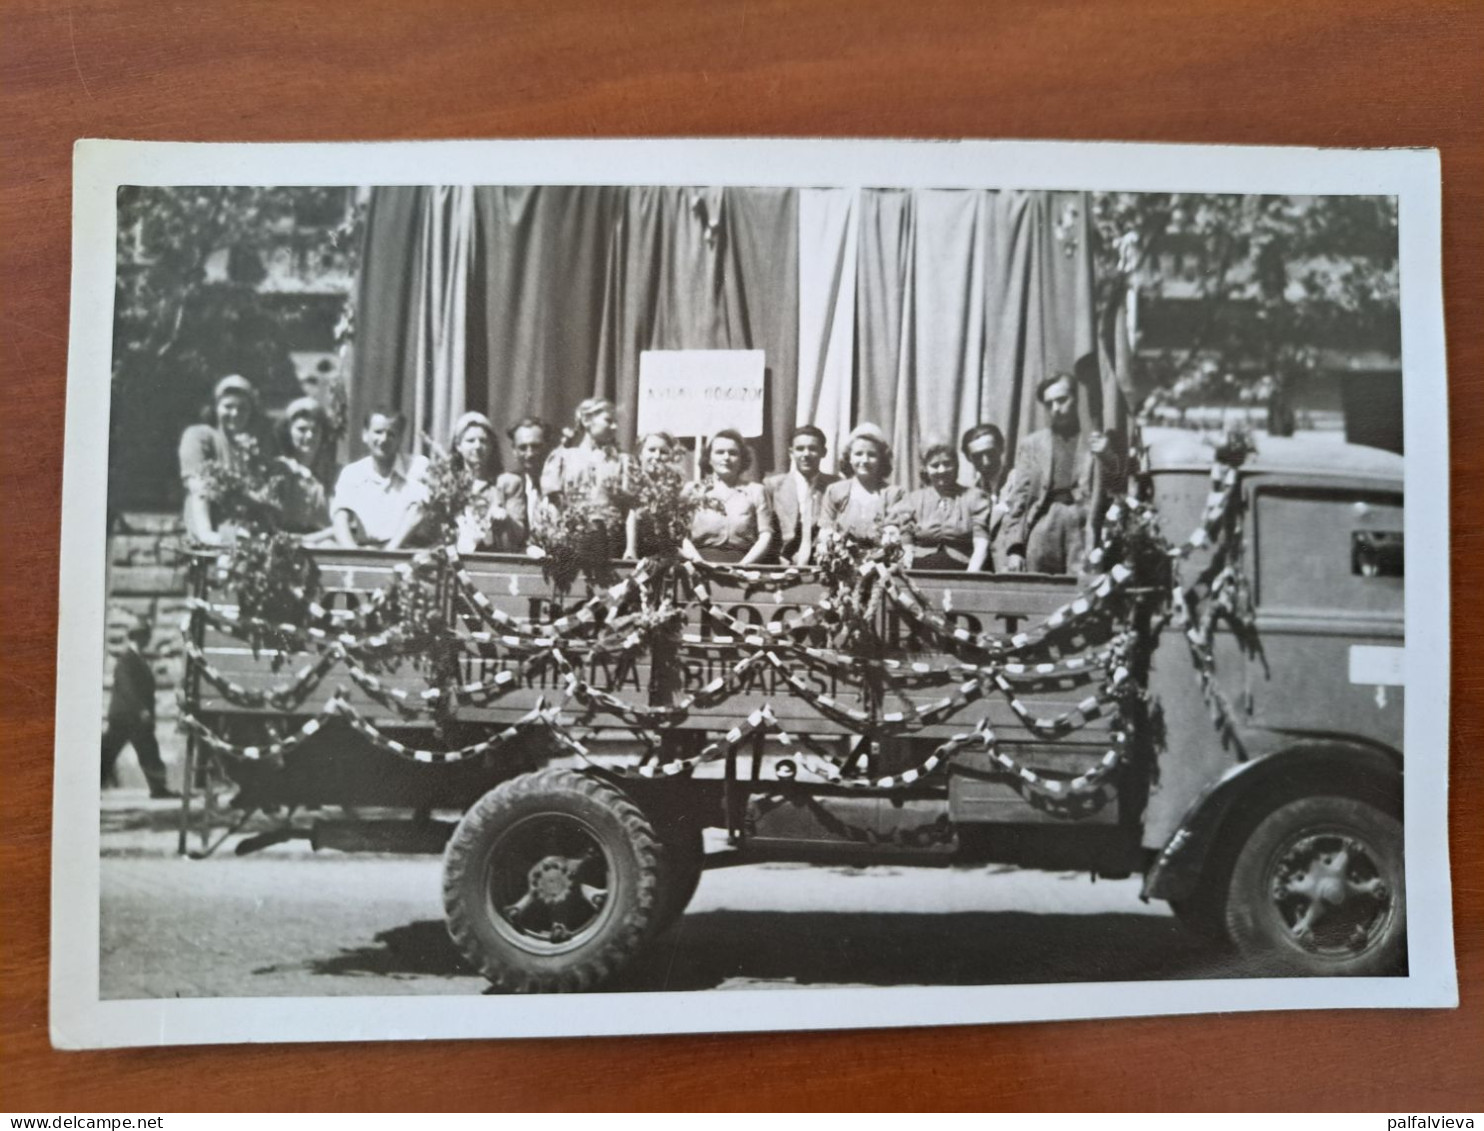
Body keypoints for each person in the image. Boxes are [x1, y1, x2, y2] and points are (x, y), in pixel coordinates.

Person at [1001, 372, 1124, 574]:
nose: (1056, 409)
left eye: (1062, 400)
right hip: (1043, 524)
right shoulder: (1033, 444)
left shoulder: (1096, 440)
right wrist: (1015, 547)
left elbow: (1116, 488)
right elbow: (1020, 499)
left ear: (1076, 399)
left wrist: (1108, 456)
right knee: (1040, 592)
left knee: (1081, 595)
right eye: (1049, 404)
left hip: (1084, 526)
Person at [177, 374, 269, 546]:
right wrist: (206, 534)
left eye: (243, 408)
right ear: (215, 407)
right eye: (228, 406)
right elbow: (197, 486)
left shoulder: (249, 447)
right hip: (210, 528)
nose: (235, 413)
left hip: (243, 530)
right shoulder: (200, 435)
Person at [540, 397, 632, 556]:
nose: (614, 427)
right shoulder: (562, 457)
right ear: (586, 420)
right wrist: (555, 542)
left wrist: (631, 548)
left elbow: (630, 507)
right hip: (572, 545)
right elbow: (553, 504)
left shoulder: (621, 461)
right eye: (608, 421)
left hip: (611, 546)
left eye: (616, 422)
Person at [101, 615, 177, 799]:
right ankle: (158, 788)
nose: (148, 640)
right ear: (137, 637)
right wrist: (142, 709)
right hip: (126, 716)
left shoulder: (136, 659)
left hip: (133, 717)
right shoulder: (127, 660)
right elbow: (128, 689)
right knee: (111, 752)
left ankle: (159, 788)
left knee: (146, 751)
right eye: (145, 636)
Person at [330, 407, 428, 549]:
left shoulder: (417, 466)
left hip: (405, 550)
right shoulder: (352, 473)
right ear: (365, 435)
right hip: (365, 551)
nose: (384, 439)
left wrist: (387, 553)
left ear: (400, 438)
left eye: (391, 434)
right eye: (378, 432)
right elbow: (340, 516)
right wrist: (352, 552)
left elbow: (418, 512)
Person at [896, 442, 992, 571]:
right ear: (925, 468)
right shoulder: (913, 499)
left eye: (947, 464)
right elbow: (906, 541)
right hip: (921, 569)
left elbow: (981, 543)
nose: (942, 470)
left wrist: (969, 577)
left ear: (956, 465)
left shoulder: (974, 497)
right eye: (935, 466)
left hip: (962, 570)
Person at [687, 429, 774, 565]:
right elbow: (681, 536)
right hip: (699, 564)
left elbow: (766, 535)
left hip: (744, 564)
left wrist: (743, 566)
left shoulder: (756, 491)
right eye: (719, 452)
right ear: (709, 458)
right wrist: (698, 562)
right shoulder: (694, 490)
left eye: (733, 453)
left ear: (742, 459)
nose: (726, 457)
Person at [444, 412, 525, 553]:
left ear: (492, 445)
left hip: (493, 561)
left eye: (483, 441)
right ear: (458, 446)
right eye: (470, 441)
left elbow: (520, 535)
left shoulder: (509, 483)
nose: (477, 446)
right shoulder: (447, 484)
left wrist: (506, 519)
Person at [817, 423, 906, 550]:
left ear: (881, 459)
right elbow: (826, 533)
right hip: (841, 564)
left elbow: (895, 539)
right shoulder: (835, 491)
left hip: (882, 566)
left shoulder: (894, 494)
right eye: (858, 454)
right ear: (849, 458)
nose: (864, 460)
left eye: (872, 455)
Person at [764, 424, 839, 566]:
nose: (806, 454)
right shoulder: (772, 486)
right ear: (791, 452)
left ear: (824, 452)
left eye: (812, 449)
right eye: (800, 449)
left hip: (823, 562)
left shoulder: (835, 486)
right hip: (781, 563)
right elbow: (765, 528)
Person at [270, 396, 338, 544]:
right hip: (284, 544)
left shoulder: (332, 474)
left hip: (322, 543)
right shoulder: (279, 470)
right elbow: (270, 520)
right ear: (288, 431)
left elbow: (339, 526)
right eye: (302, 429)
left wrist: (307, 539)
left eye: (315, 430)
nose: (309, 436)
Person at [492, 416, 554, 554]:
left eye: (536, 446)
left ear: (548, 446)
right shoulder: (510, 485)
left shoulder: (561, 482)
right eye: (523, 447)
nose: (529, 453)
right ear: (514, 450)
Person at [623, 431, 681, 559]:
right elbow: (631, 514)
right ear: (640, 453)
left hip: (661, 553)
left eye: (663, 452)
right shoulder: (632, 480)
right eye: (651, 450)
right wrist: (630, 548)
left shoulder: (674, 487)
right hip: (633, 550)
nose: (657, 456)